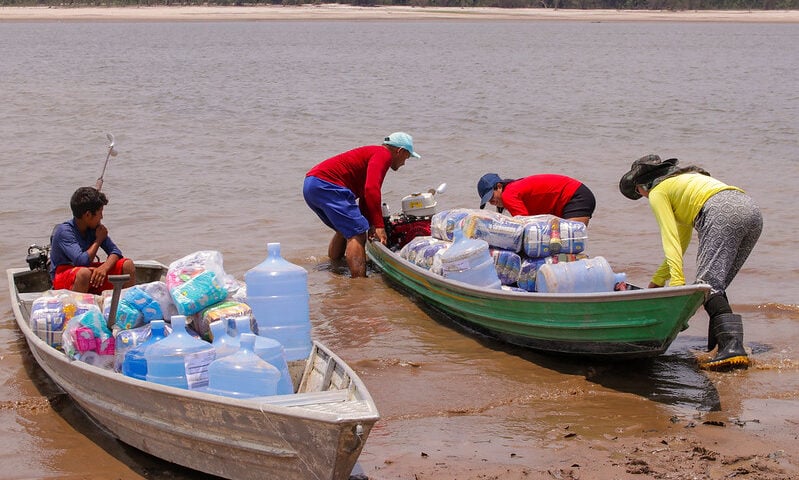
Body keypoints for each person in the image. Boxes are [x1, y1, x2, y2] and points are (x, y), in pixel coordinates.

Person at [619, 154, 762, 371]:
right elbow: (681, 242)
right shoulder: (680, 184)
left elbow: (670, 241)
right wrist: (658, 281)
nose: (641, 196)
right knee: (715, 287)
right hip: (750, 209)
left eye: (638, 192)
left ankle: (732, 347)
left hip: (720, 211)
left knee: (708, 287)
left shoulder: (658, 192)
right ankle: (717, 349)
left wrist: (676, 286)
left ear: (642, 185)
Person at [303, 132, 420, 278]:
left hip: (312, 184)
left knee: (345, 228)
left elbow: (366, 195)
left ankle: (336, 267)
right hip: (327, 185)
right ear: (400, 151)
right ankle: (359, 283)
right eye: (407, 157)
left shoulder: (374, 152)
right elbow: (372, 189)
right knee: (357, 233)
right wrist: (379, 226)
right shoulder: (383, 155)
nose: (404, 163)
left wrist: (370, 223)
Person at [49, 186, 136, 294]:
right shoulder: (64, 231)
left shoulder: (94, 228)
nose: (102, 217)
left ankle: (125, 307)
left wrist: (104, 268)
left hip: (87, 273)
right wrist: (98, 240)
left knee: (127, 265)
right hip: (64, 276)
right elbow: (82, 261)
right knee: (84, 273)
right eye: (100, 213)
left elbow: (115, 252)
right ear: (88, 215)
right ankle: (80, 309)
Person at [477, 173, 595, 225]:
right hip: (575, 195)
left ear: (499, 187)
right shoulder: (513, 190)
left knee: (570, 240)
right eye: (488, 201)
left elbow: (525, 224)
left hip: (574, 196)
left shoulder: (508, 194)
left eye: (491, 197)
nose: (492, 203)